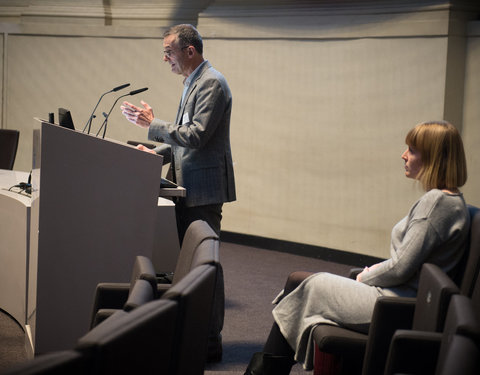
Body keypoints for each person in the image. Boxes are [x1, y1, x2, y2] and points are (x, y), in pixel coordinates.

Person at [244, 120, 469, 375]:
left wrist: (366, 276)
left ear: (434, 158)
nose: (404, 155)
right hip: (400, 298)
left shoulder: (436, 203)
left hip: (395, 305)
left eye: (413, 150)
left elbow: (401, 267)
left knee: (308, 284)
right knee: (298, 282)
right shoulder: (450, 200)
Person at [120, 24, 236, 362]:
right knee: (193, 265)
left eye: (169, 51)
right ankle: (195, 334)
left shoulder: (211, 82)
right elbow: (184, 142)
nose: (165, 58)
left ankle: (211, 340)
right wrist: (152, 153)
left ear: (190, 50)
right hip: (189, 187)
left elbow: (197, 136)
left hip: (203, 189)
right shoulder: (193, 82)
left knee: (205, 265)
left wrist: (153, 125)